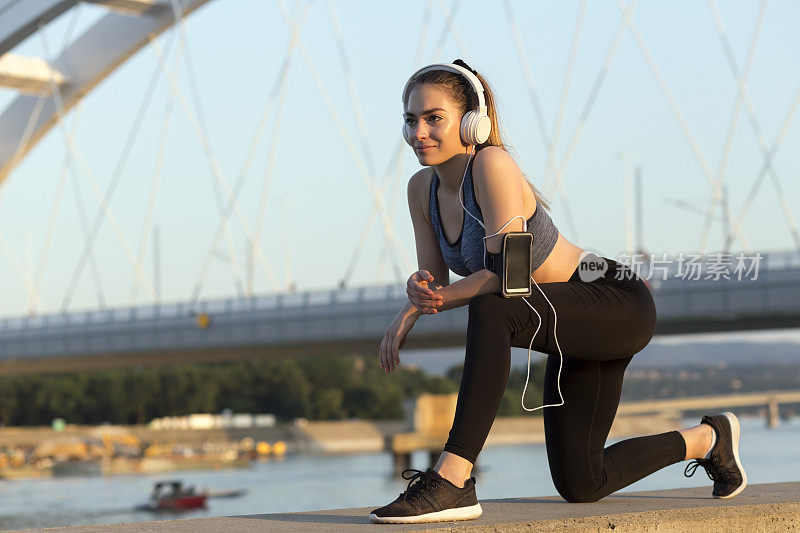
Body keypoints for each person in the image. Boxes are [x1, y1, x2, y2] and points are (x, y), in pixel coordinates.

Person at [369, 60, 747, 524]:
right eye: (411, 120)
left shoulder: (492, 165)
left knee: (492, 309)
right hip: (563, 318)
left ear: (472, 123)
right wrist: (413, 302)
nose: (418, 132)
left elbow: (508, 278)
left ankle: (455, 477)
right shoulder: (420, 189)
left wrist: (437, 301)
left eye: (434, 118)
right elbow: (435, 281)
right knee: (581, 484)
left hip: (614, 297)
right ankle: (710, 440)